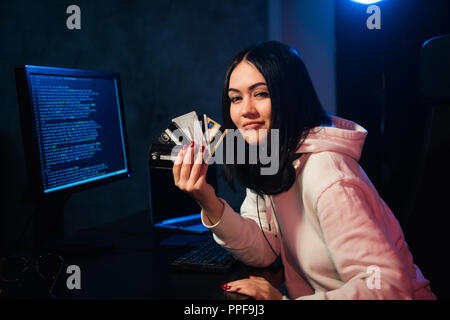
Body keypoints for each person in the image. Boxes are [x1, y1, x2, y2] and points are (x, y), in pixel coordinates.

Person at [171, 41, 436, 300]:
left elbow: (387, 288)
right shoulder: (273, 157)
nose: (246, 110)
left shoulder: (329, 175)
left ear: (291, 97)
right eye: (236, 98)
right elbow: (264, 249)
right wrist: (208, 201)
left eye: (261, 93)